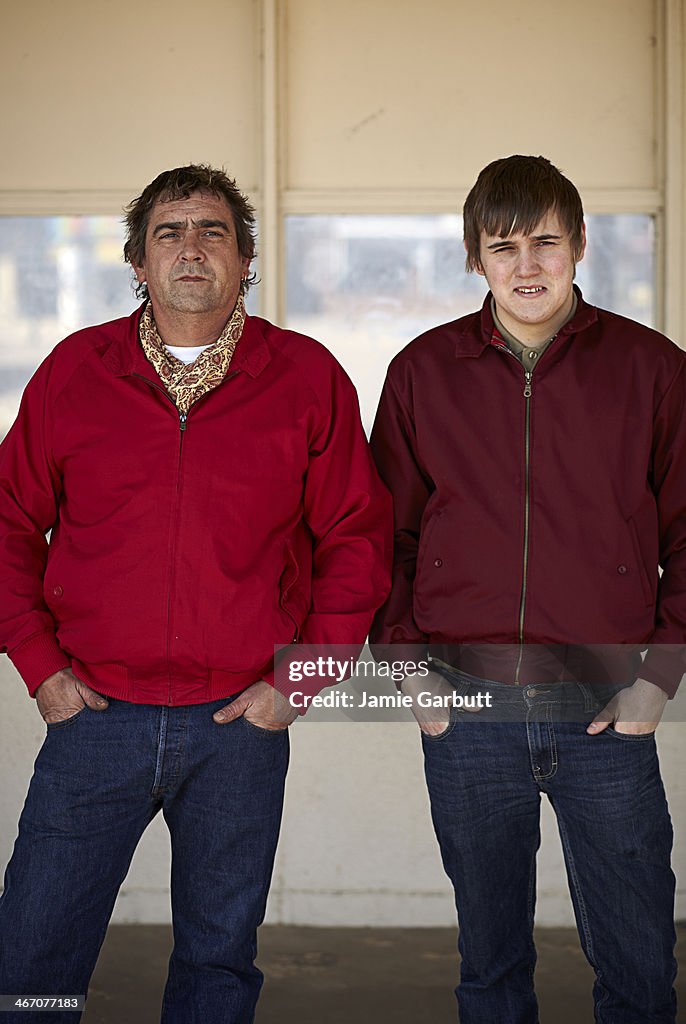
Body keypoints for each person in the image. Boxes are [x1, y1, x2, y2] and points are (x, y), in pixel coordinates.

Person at [0, 163, 391, 1023]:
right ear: (137, 262)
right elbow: (9, 527)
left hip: (236, 728)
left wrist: (299, 684)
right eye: (168, 233)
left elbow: (357, 541)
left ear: (245, 259)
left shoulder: (305, 376)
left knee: (218, 962)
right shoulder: (75, 371)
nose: (190, 248)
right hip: (94, 716)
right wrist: (41, 668)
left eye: (213, 231)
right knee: (33, 955)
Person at [370, 155, 682, 1023]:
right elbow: (379, 540)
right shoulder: (422, 374)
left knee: (640, 967)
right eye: (503, 247)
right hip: (466, 713)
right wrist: (411, 678)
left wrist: (656, 680)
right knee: (491, 967)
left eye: (546, 241)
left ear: (580, 244)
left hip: (608, 709)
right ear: (476, 257)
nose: (528, 265)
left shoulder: (653, 371)